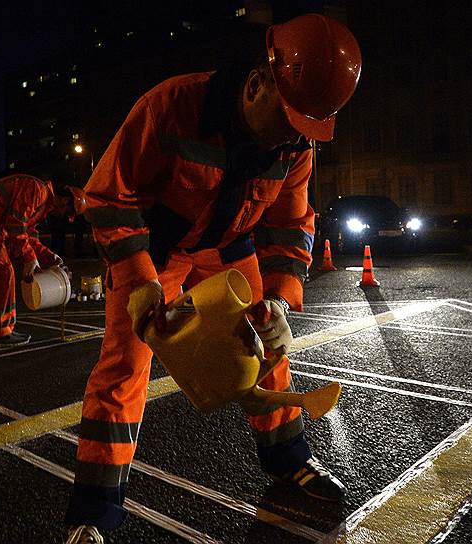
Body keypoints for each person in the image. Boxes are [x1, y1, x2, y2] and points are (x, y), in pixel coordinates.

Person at [63, 14, 361, 543]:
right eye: (289, 118)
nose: (293, 138)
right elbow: (108, 196)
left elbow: (293, 228)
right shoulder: (170, 106)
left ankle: (289, 460)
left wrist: (281, 304)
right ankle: (93, 512)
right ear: (256, 84)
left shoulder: (295, 144)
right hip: (155, 250)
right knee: (125, 367)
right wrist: (139, 280)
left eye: (306, 126)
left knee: (267, 343)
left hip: (227, 247)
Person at [0, 174, 76, 348]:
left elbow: (28, 236)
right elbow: (16, 226)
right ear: (65, 201)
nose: (64, 217)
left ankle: (3, 330)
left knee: (0, 274)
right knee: (1, 274)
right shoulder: (37, 191)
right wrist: (30, 258)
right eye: (68, 213)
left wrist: (48, 257)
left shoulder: (42, 204)